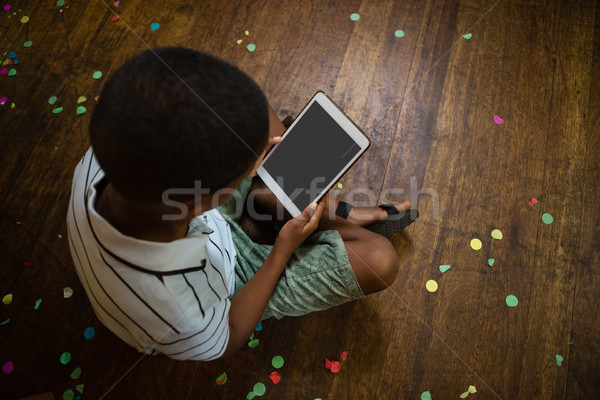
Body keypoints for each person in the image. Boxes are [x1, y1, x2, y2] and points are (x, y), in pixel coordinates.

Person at [66, 47, 414, 361]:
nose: (264, 157)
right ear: (205, 202)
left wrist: (252, 162)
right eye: (249, 169)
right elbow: (229, 335)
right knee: (380, 260)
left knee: (255, 119)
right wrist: (282, 250)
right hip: (229, 282)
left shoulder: (111, 154)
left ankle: (295, 206)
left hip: (200, 219)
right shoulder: (177, 311)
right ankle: (307, 212)